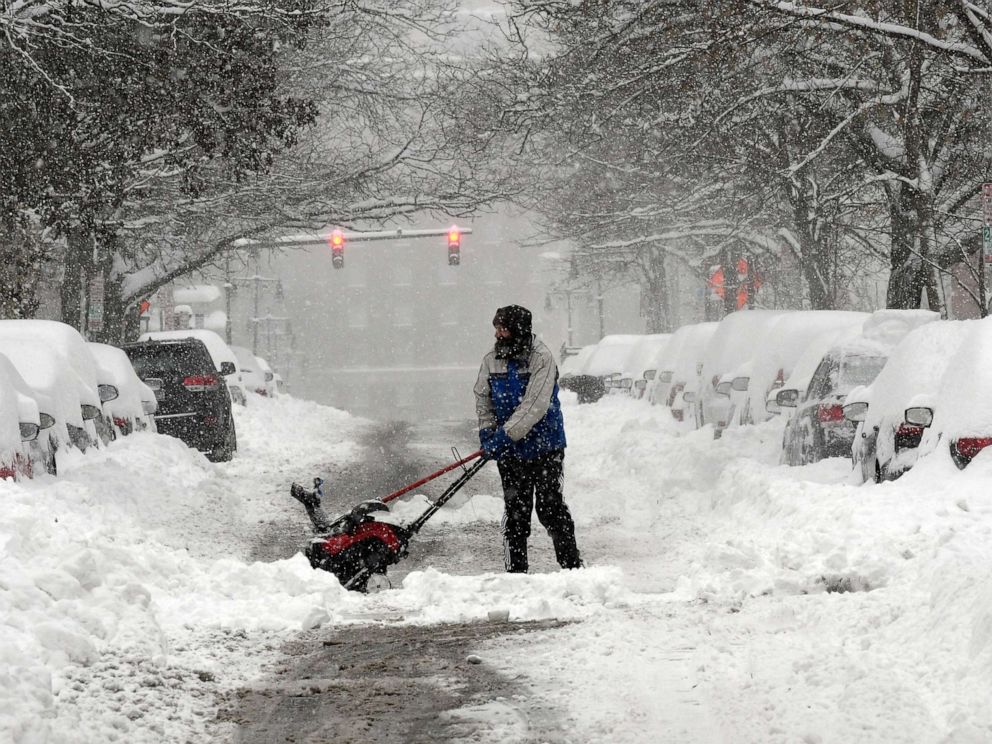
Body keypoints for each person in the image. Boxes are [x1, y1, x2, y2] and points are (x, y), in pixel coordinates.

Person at [474, 304, 582, 573]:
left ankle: (572, 568)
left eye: (503, 328)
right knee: (516, 512)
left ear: (518, 330)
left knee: (550, 508)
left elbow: (534, 405)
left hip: (546, 446)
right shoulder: (491, 359)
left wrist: (504, 436)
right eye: (496, 328)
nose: (498, 334)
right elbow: (482, 395)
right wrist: (487, 430)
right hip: (511, 452)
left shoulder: (541, 358)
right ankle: (516, 572)